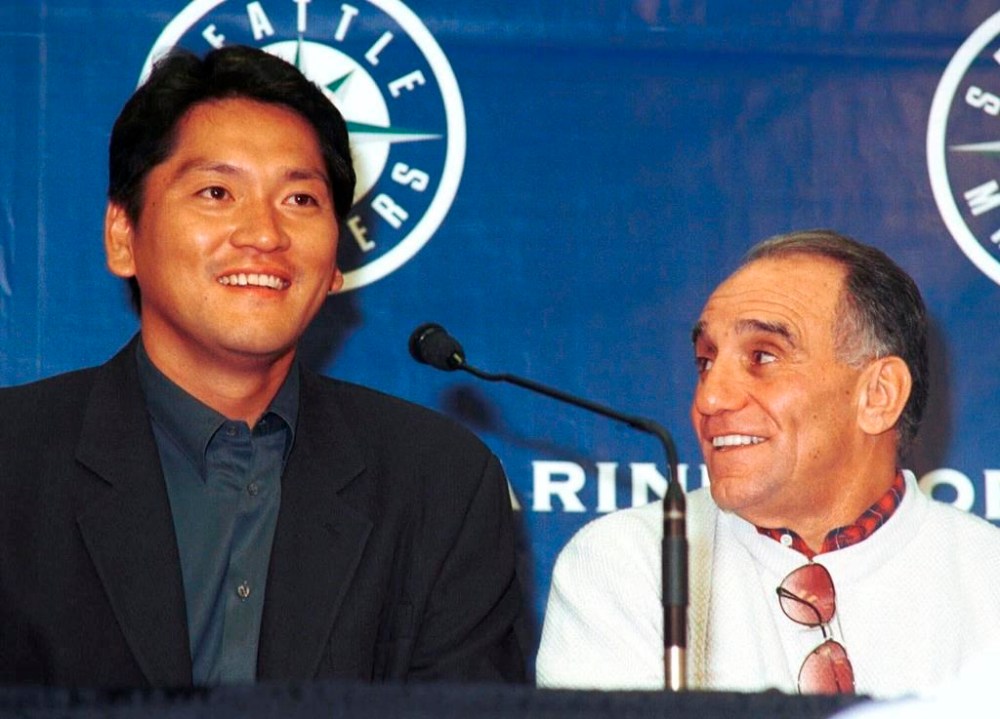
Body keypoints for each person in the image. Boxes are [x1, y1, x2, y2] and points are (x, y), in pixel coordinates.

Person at [0, 45, 525, 687]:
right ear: (122, 237)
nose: (264, 234)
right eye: (217, 191)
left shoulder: (440, 484)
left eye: (301, 200)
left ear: (336, 265)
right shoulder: (14, 461)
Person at [535, 229, 1000, 698]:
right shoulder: (624, 565)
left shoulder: (988, 579)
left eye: (762, 356)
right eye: (705, 361)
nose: (710, 397)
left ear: (878, 395)